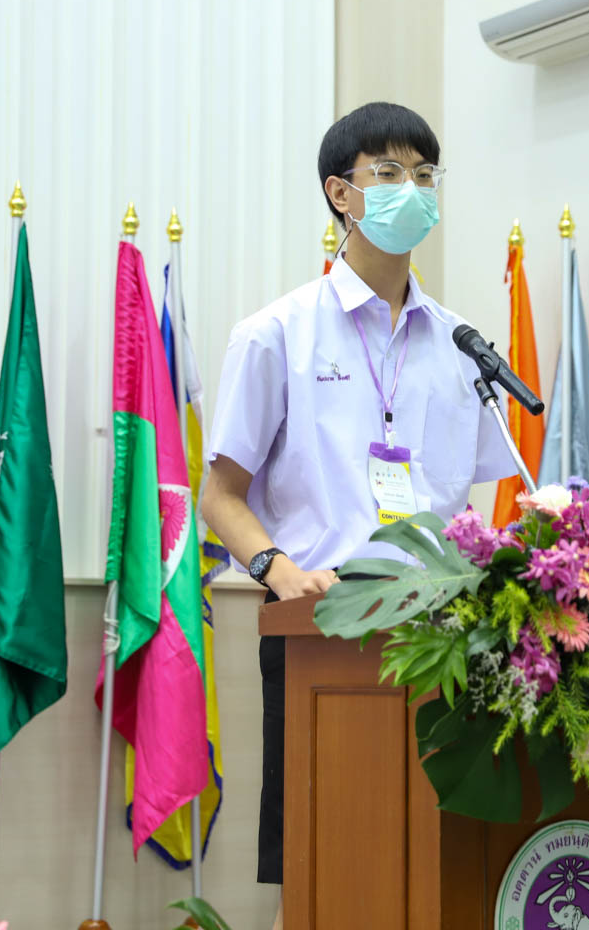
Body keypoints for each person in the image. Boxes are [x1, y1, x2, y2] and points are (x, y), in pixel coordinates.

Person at [202, 101, 518, 930]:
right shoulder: (276, 335)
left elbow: (478, 506)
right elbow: (220, 496)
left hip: (445, 641)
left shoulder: (461, 345)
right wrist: (279, 572)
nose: (412, 188)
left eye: (425, 174)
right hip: (323, 628)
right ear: (341, 194)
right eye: (389, 172)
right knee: (327, 861)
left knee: (445, 865)